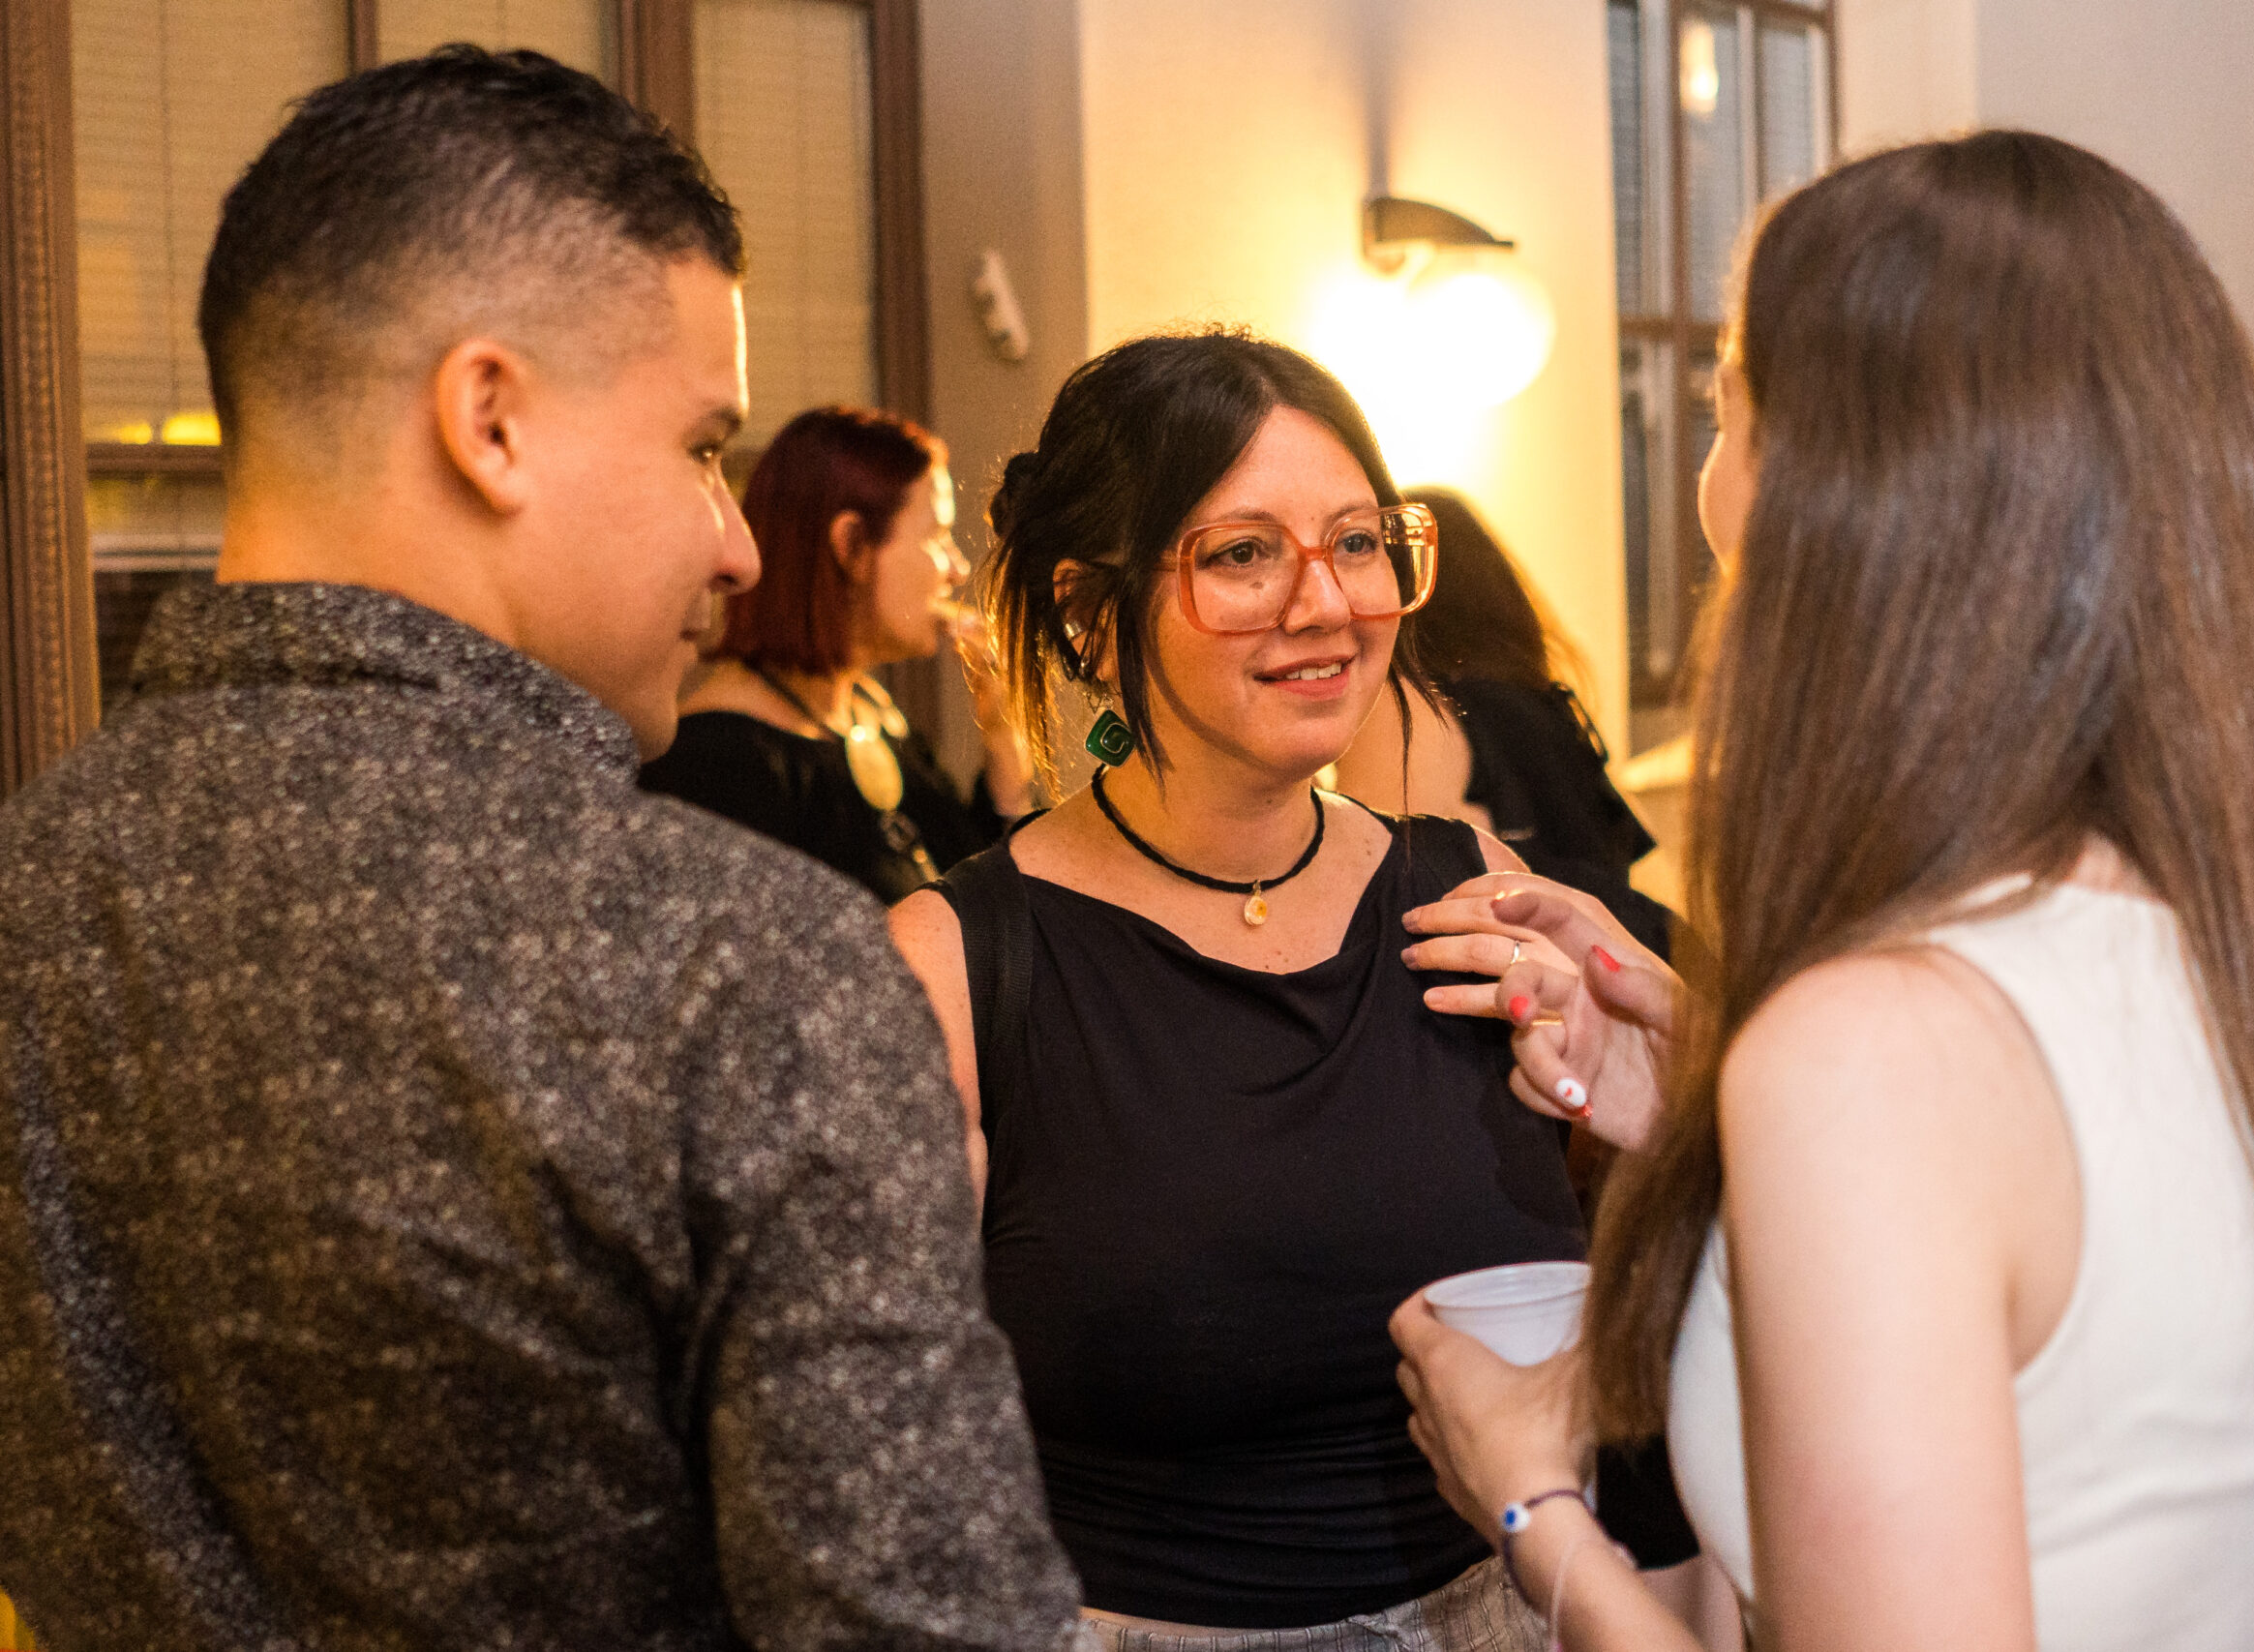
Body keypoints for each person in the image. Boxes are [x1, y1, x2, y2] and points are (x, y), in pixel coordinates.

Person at [0, 47, 1078, 1650]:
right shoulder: (735, 962)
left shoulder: (30, 884)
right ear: (489, 419)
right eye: (703, 445)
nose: (735, 541)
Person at [1389, 132, 2254, 1652]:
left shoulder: (1874, 1050)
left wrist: (1530, 1507)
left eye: (1726, 411)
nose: (1708, 479)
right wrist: (1716, 1100)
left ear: (1828, 506)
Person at [887, 330, 1609, 1648]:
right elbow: (883, 1456)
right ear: (1089, 612)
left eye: (1357, 541)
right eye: (1241, 554)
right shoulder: (955, 968)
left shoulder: (1475, 895)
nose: (1325, 602)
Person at [640, 405, 1037, 903]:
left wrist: (1002, 733)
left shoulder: (872, 712)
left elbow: (990, 897)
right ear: (850, 546)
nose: (957, 569)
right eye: (937, 535)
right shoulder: (709, 765)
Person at [1334, 487, 1668, 958]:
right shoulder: (1546, 707)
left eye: (1359, 551)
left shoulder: (1407, 707)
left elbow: (1379, 905)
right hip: (1616, 960)